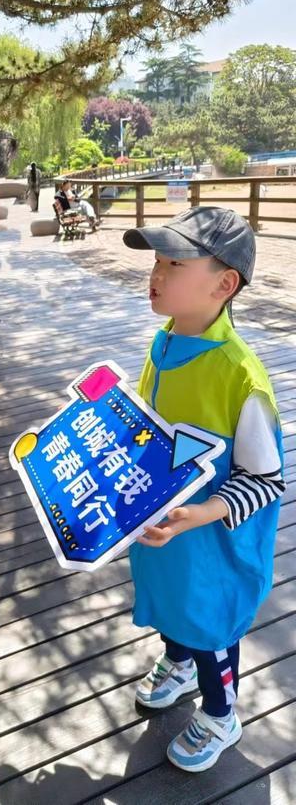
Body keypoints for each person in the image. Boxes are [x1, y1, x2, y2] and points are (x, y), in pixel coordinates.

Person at [123, 206, 285, 772]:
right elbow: (147, 421)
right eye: (157, 260)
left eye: (175, 262)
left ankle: (221, 712)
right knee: (172, 605)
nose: (157, 274)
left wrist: (202, 513)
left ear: (224, 283)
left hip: (211, 541)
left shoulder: (241, 376)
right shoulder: (163, 343)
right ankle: (178, 661)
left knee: (208, 622)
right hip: (164, 525)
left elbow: (266, 481)